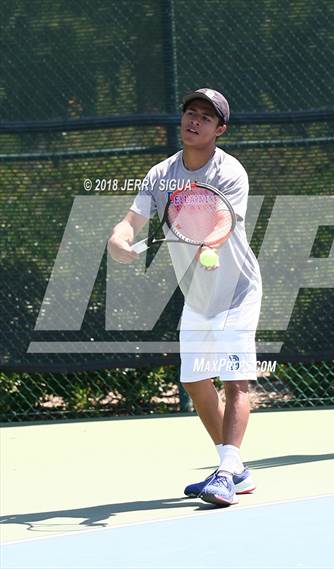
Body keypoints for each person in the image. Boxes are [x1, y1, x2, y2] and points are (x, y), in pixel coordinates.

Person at [107, 88, 262, 506]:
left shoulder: (230, 172)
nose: (194, 121)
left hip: (236, 292)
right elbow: (131, 221)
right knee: (195, 382)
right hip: (198, 296)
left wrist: (207, 242)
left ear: (220, 129)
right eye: (190, 113)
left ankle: (227, 471)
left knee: (235, 379)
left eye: (205, 118)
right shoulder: (160, 175)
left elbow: (222, 217)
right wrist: (119, 240)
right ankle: (235, 468)